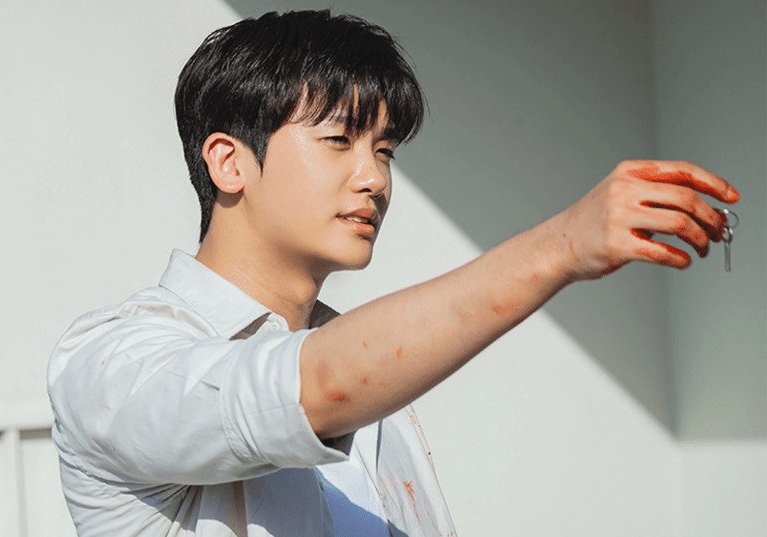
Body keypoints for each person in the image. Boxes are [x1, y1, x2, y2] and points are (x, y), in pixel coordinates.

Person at [46, 10, 739, 537]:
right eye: (338, 140)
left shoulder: (376, 382)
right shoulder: (112, 363)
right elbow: (315, 386)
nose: (374, 178)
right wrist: (560, 247)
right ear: (230, 162)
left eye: (385, 151)